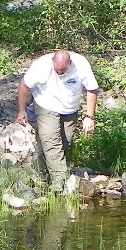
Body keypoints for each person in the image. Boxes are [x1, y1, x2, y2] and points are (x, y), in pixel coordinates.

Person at [16, 49, 98, 194]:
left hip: (69, 109)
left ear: (70, 64)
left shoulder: (81, 65)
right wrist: (22, 111)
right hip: (45, 106)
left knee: (65, 143)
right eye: (56, 70)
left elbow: (91, 89)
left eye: (62, 70)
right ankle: (58, 185)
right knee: (52, 144)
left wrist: (89, 117)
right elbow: (24, 85)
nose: (59, 73)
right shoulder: (41, 66)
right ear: (52, 62)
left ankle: (39, 169)